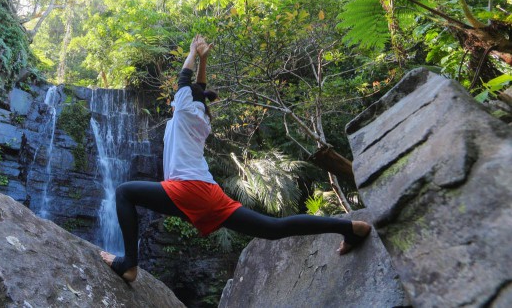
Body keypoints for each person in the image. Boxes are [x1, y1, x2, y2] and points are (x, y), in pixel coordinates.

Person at [100, 35, 371, 282]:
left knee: (125, 193)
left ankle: (129, 264)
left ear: (182, 99)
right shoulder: (201, 117)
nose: (176, 97)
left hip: (187, 189)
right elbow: (199, 87)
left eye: (179, 95)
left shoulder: (182, 109)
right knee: (273, 228)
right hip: (208, 192)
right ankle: (349, 227)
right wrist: (204, 60)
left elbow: (185, 79)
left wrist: (194, 54)